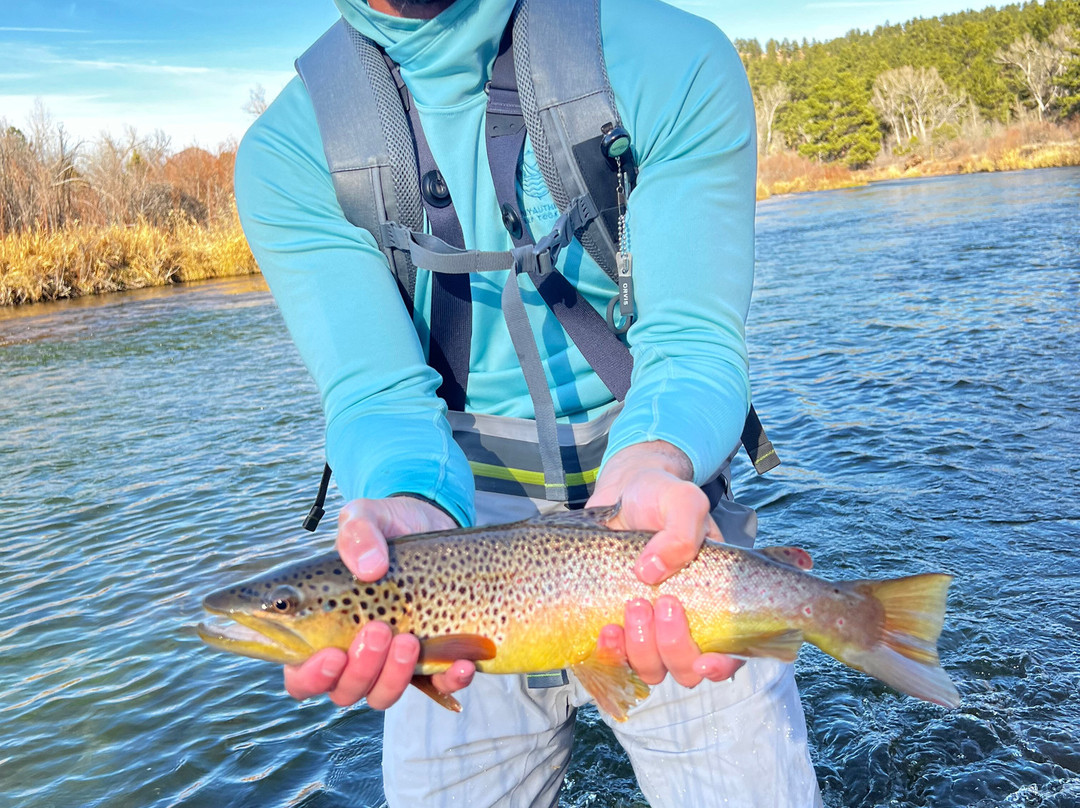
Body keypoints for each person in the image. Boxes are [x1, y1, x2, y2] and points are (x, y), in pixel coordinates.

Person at [234, 0, 822, 805]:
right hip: (449, 553)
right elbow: (377, 394)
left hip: (661, 525)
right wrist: (407, 502)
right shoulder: (290, 155)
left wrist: (652, 459)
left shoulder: (665, 56)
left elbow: (692, 342)